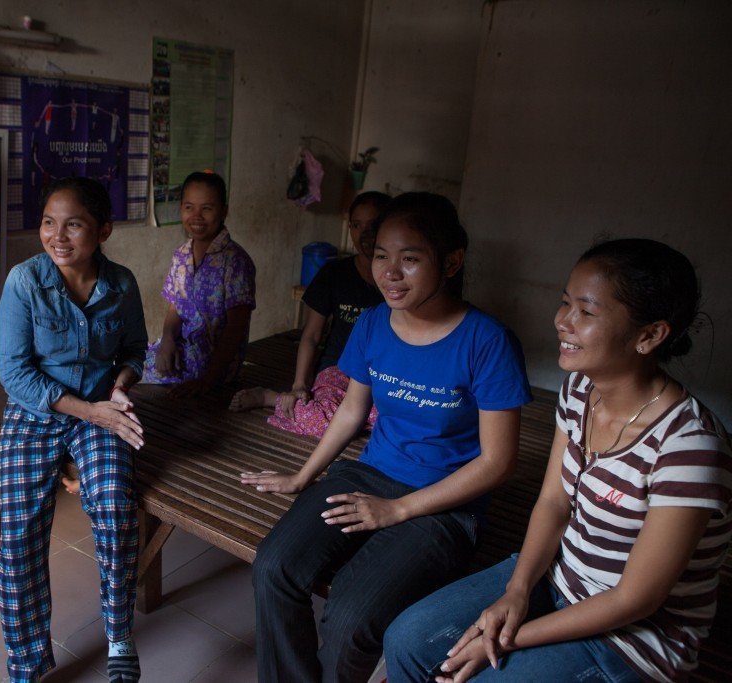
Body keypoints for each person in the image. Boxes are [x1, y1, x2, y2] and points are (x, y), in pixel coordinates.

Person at [383, 238, 732, 683]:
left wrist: (509, 635)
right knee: (405, 640)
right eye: (565, 303)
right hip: (561, 577)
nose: (562, 322)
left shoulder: (690, 449)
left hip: (634, 638)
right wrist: (517, 590)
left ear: (650, 335)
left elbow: (634, 600)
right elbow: (553, 502)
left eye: (585, 312)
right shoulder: (580, 392)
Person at [241, 192, 532, 682]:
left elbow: (497, 463)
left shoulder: (488, 340)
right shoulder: (375, 323)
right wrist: (302, 476)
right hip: (368, 474)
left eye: (411, 259)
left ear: (452, 261)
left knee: (355, 614)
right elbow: (353, 411)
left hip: (445, 506)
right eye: (381, 256)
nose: (390, 273)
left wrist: (398, 510)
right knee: (273, 569)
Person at [0, 176, 148, 683]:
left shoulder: (121, 284)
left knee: (115, 504)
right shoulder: (24, 281)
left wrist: (122, 385)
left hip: (102, 409)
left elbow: (132, 351)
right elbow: (15, 373)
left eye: (74, 224)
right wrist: (91, 411)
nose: (57, 236)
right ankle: (27, 662)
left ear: (103, 230)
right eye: (48, 222)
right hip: (35, 411)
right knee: (20, 536)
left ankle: (119, 635)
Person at [229, 191, 392, 437]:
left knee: (391, 422)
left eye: (374, 225)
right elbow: (311, 335)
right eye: (357, 225)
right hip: (341, 370)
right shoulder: (335, 274)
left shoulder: (398, 279)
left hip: (385, 376)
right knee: (325, 422)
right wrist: (299, 385)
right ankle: (271, 397)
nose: (365, 233)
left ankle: (347, 416)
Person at [142, 171, 256, 397]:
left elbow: (236, 327)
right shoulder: (181, 255)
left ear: (224, 211)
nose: (196, 216)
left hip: (216, 363)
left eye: (207, 208)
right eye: (189, 207)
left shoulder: (235, 261)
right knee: (126, 365)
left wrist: (209, 380)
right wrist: (167, 341)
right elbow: (175, 305)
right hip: (183, 350)